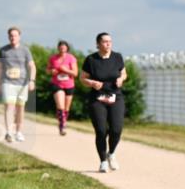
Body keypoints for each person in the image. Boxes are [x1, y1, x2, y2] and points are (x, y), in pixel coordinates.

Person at [80, 32, 127, 173]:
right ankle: (103, 162)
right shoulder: (91, 60)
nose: (108, 44)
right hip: (97, 98)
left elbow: (124, 73)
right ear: (98, 44)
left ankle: (111, 153)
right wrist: (92, 82)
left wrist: (121, 79)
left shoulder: (117, 57)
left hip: (115, 97)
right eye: (105, 41)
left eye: (110, 41)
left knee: (116, 129)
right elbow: (82, 78)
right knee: (101, 130)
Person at [0, 26, 36, 142]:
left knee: (20, 109)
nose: (13, 37)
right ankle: (9, 132)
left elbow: (32, 66)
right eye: (11, 35)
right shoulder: (3, 50)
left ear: (19, 36)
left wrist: (32, 81)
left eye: (15, 35)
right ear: (8, 37)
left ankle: (18, 131)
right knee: (9, 106)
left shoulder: (25, 50)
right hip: (8, 82)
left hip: (22, 83)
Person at [47, 40, 78, 135]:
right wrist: (51, 71)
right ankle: (62, 126)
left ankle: (63, 122)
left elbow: (75, 73)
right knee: (60, 106)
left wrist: (66, 70)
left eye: (64, 48)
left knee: (66, 108)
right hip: (57, 84)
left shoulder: (71, 58)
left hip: (69, 85)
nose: (62, 49)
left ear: (67, 48)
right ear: (58, 48)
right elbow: (48, 70)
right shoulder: (53, 58)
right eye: (60, 47)